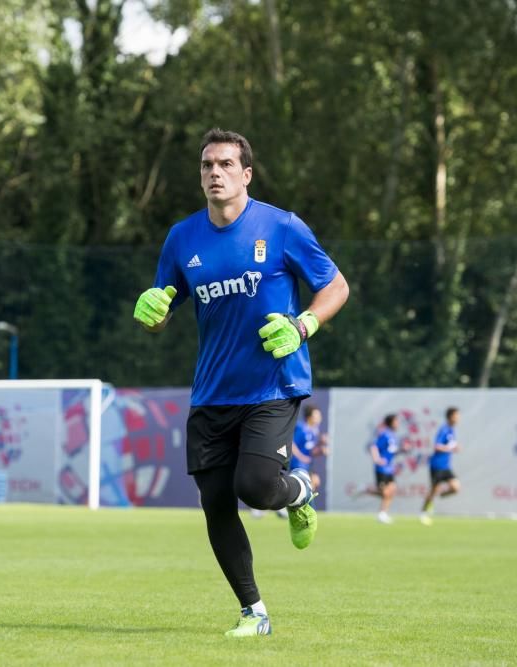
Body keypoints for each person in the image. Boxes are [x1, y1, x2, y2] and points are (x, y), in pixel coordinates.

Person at [133, 128, 348, 638]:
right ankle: (255, 612)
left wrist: (302, 326)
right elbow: (165, 306)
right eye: (207, 165)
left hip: (272, 385)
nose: (214, 173)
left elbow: (335, 286)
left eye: (226, 164)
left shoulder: (281, 227)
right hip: (211, 392)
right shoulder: (182, 238)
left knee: (254, 486)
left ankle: (298, 490)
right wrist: (152, 312)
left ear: (245, 174)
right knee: (215, 504)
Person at [419, 407, 461, 525]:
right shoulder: (444, 429)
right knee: (433, 490)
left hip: (446, 466)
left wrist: (455, 447)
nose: (458, 418)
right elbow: (437, 446)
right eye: (456, 415)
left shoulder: (452, 430)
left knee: (456, 487)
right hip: (437, 465)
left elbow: (450, 445)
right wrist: (450, 448)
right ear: (450, 416)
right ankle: (423, 512)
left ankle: (438, 496)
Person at [369, 413, 399, 524]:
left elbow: (391, 451)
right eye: (396, 421)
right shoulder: (385, 434)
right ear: (391, 422)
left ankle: (384, 513)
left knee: (392, 490)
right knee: (386, 492)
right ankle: (381, 514)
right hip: (381, 469)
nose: (398, 424)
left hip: (389, 468)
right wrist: (377, 459)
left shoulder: (394, 436)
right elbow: (374, 446)